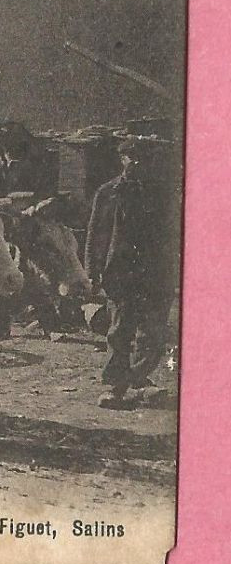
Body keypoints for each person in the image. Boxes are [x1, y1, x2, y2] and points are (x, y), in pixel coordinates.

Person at [85, 138, 179, 408]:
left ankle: (137, 378)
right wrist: (92, 270)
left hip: (156, 273)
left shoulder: (162, 193)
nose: (137, 162)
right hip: (121, 273)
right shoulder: (107, 193)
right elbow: (95, 235)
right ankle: (117, 386)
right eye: (131, 156)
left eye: (143, 158)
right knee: (119, 331)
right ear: (121, 159)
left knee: (154, 334)